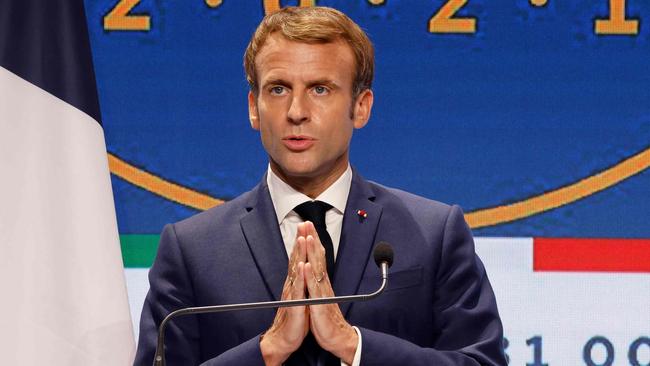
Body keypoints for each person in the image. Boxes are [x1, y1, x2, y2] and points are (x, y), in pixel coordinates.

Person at [134, 6, 506, 366]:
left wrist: (353, 344)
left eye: (320, 89)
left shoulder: (433, 234)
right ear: (253, 106)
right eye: (278, 89)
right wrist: (268, 349)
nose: (296, 111)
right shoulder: (192, 250)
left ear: (361, 106)